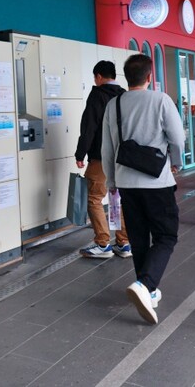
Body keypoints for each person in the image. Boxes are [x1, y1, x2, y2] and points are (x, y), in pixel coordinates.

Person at [101, 54, 184, 325]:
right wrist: (177, 163)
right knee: (166, 236)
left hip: (126, 183)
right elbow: (177, 138)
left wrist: (112, 182)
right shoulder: (161, 100)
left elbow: (108, 148)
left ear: (127, 77)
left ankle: (148, 289)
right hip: (157, 182)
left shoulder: (114, 105)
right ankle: (145, 285)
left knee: (138, 237)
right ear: (150, 77)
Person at [74, 60, 131, 260]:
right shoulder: (125, 95)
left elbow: (89, 127)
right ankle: (124, 243)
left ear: (98, 76)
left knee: (94, 198)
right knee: (120, 197)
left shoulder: (98, 94)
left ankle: (103, 244)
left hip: (101, 157)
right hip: (124, 157)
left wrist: (80, 154)